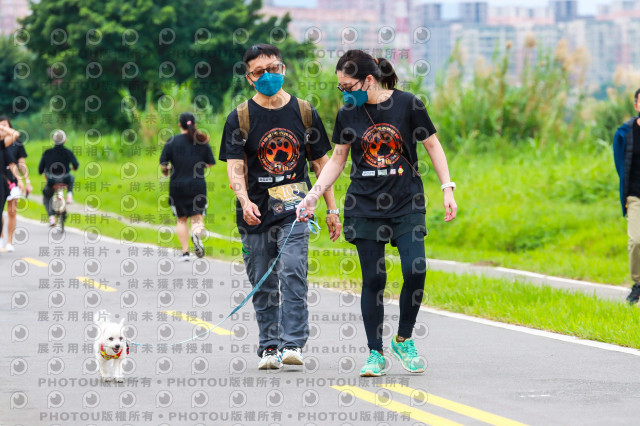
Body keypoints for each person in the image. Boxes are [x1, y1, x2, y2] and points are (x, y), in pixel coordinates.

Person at [296, 49, 457, 377]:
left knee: (416, 269)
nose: (344, 93)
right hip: (365, 205)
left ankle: (404, 339)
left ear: (368, 80)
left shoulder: (408, 104)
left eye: (348, 86)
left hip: (407, 201)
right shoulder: (347, 113)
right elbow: (338, 160)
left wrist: (447, 187)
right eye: (340, 87)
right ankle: (375, 353)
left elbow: (432, 145)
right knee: (374, 279)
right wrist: (313, 196)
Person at [220, 43, 341, 370]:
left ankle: (293, 343)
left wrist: (332, 210)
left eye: (273, 68)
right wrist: (244, 200)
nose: (268, 76)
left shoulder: (304, 111)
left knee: (292, 271)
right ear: (249, 77)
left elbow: (322, 165)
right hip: (255, 213)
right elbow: (235, 168)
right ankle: (269, 347)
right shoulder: (240, 117)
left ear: (283, 69)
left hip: (295, 209)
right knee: (262, 281)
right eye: (259, 72)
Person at [159, 112, 215, 261]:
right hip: (197, 186)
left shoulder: (172, 141)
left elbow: (163, 164)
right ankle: (196, 235)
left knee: (181, 219)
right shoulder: (201, 141)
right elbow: (210, 163)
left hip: (177, 187)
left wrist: (167, 171)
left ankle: (185, 253)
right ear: (194, 124)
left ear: (180, 125)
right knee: (197, 218)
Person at [613, 88, 640, 305]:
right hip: (635, 196)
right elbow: (620, 166)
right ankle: (638, 283)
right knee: (636, 240)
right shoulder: (624, 133)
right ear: (636, 105)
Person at [0, 116, 31, 252]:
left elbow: (20, 163)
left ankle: (10, 241)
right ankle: (1, 236)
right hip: (1, 181)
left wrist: (25, 180)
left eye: (5, 125)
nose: (3, 128)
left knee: (12, 212)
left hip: (13, 180)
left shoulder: (16, 143)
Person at [38, 130, 79, 227]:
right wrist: (72, 168)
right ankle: (69, 195)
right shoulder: (68, 152)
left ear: (53, 140)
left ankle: (51, 217)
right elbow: (76, 165)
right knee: (71, 177)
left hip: (52, 180)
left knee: (46, 196)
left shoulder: (47, 153)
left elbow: (40, 170)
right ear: (65, 140)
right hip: (66, 179)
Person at [0, 121, 21, 249]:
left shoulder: (4, 145)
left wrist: (22, 180)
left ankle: (8, 241)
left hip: (6, 182)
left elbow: (15, 134)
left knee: (8, 212)